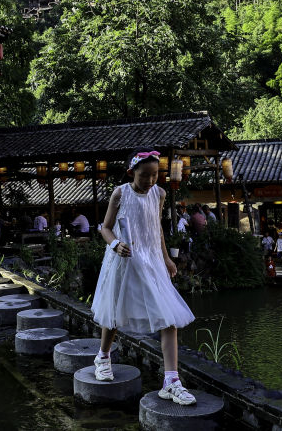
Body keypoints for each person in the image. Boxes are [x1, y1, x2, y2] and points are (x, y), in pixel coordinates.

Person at [92, 150, 196, 406]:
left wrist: (166, 258)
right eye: (145, 175)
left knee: (168, 317)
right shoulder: (120, 193)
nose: (150, 180)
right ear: (132, 173)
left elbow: (156, 227)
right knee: (114, 312)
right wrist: (115, 244)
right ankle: (103, 356)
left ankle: (171, 381)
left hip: (151, 260)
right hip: (124, 259)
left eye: (155, 175)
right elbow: (105, 227)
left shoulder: (159, 194)